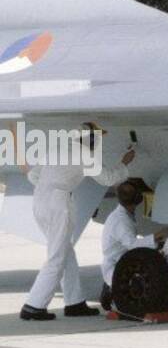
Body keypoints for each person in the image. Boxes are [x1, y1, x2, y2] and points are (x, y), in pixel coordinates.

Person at [20, 129, 133, 322]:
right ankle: (33, 306)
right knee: (56, 257)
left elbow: (33, 176)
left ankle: (75, 303)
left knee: (66, 252)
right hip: (58, 205)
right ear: (91, 142)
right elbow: (108, 179)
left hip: (40, 200)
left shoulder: (58, 149)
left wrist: (53, 183)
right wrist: (124, 163)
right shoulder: (84, 154)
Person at [98, 179, 157, 310]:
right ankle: (111, 290)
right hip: (117, 266)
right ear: (138, 199)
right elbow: (133, 245)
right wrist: (156, 238)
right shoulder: (121, 220)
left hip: (122, 260)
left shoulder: (124, 214)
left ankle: (111, 287)